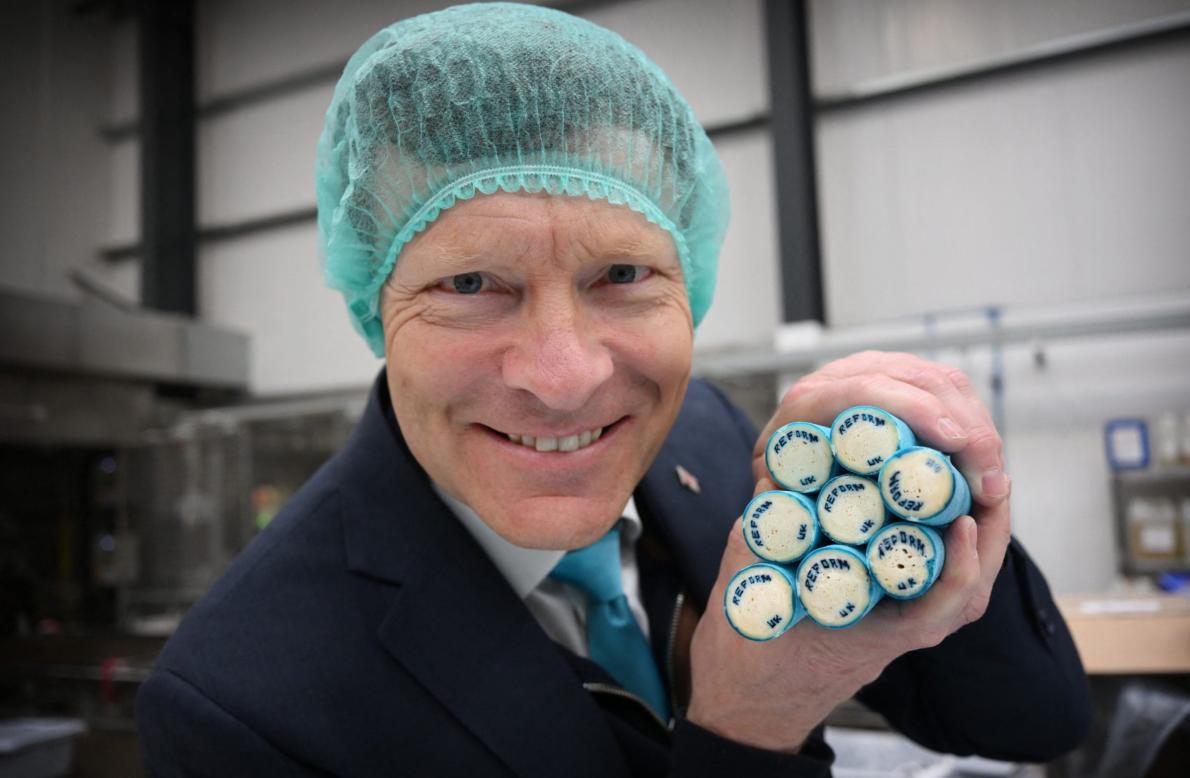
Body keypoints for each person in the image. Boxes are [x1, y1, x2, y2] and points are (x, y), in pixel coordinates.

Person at [136, 4, 1092, 776]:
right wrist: (750, 733)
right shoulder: (242, 705)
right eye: (472, 285)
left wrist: (932, 499)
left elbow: (1033, 721)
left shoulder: (708, 439)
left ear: (693, 280)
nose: (566, 378)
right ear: (375, 305)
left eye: (623, 276)